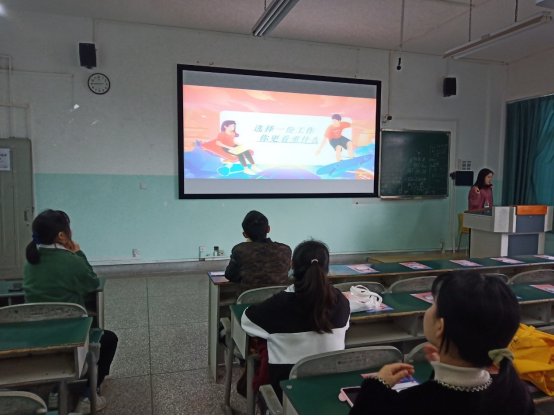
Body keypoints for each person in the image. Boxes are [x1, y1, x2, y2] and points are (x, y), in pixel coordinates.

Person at [350, 271, 535, 415]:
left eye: (434, 303)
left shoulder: (409, 404)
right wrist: (444, 366)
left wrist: (375, 387)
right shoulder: (515, 395)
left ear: (440, 326)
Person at [24, 210, 118, 415]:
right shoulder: (71, 261)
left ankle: (56, 391)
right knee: (109, 339)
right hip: (70, 340)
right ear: (61, 235)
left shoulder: (30, 262)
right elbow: (92, 283)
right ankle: (88, 396)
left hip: (37, 340)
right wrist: (78, 253)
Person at [241, 240, 350, 401]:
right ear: (327, 268)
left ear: (292, 265)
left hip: (285, 396)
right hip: (332, 394)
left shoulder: (276, 306)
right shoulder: (342, 302)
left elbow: (246, 321)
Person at [225, 211, 292, 294]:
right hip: (279, 300)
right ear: (268, 229)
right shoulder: (285, 250)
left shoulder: (240, 250)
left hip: (249, 301)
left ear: (245, 235)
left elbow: (230, 276)